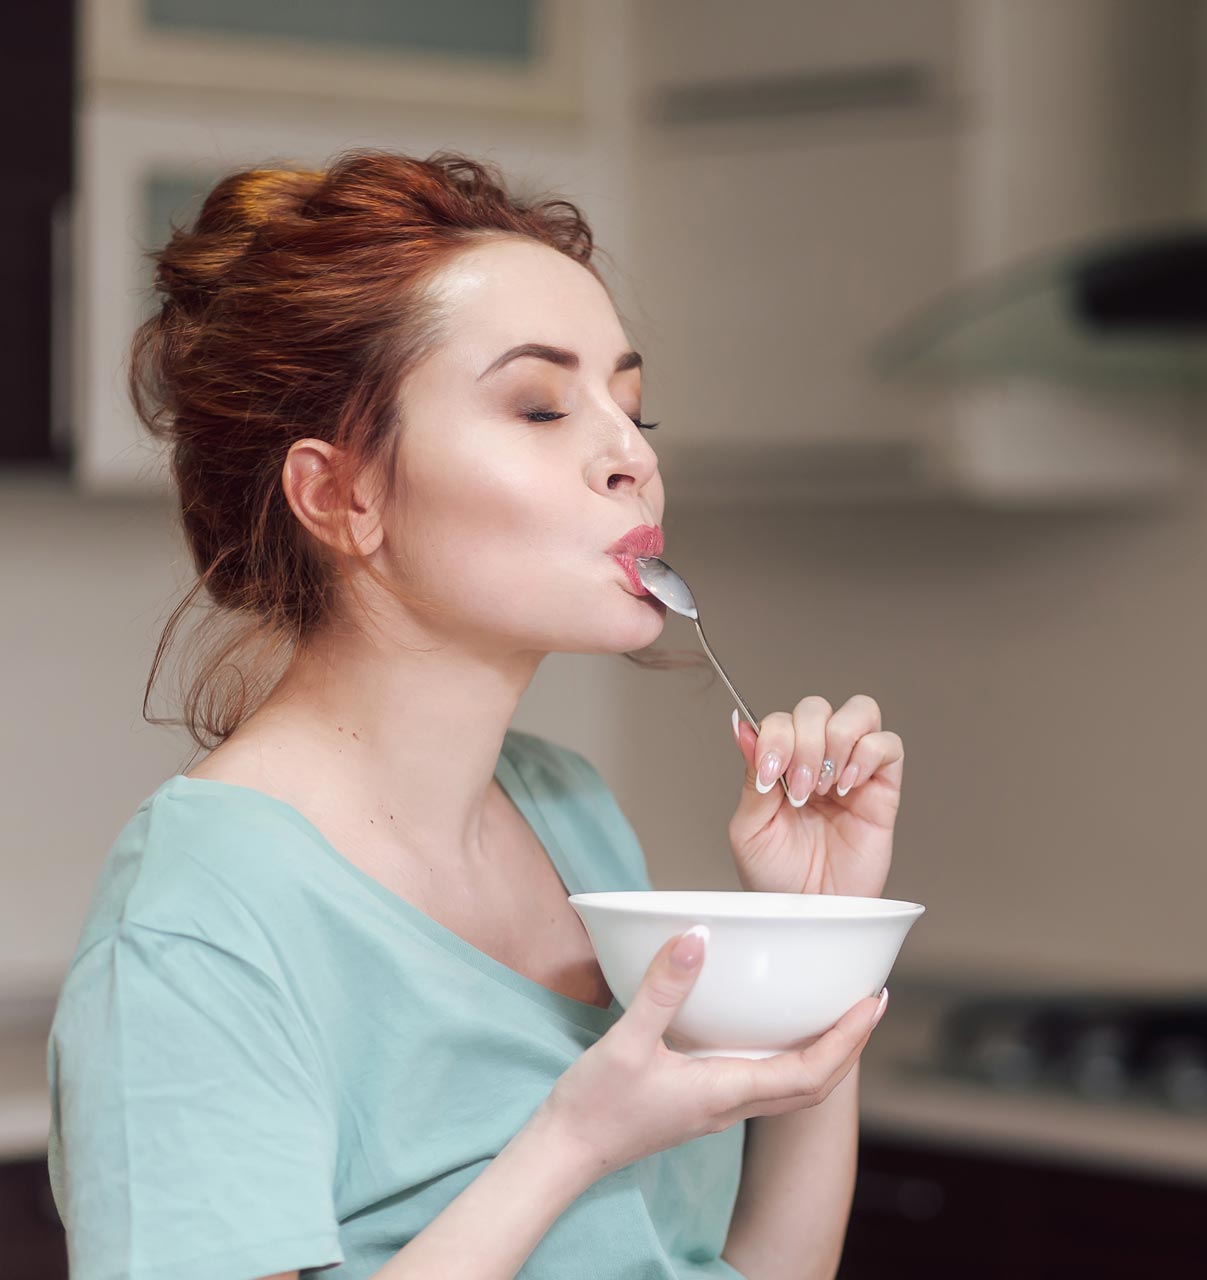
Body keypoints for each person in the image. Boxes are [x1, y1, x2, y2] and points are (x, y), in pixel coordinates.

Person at [44, 149, 905, 1280]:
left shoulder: (568, 812)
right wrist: (572, 1139)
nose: (632, 458)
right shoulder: (193, 927)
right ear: (339, 494)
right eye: (542, 406)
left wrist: (811, 937)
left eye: (635, 407)